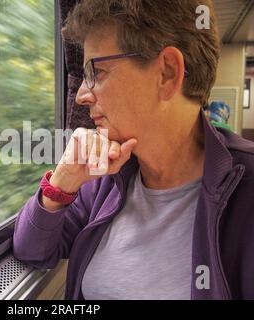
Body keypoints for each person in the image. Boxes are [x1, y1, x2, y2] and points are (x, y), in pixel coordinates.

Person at [13, 0, 254, 299]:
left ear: (166, 72)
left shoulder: (245, 192)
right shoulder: (105, 178)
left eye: (97, 72)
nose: (81, 97)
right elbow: (32, 250)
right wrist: (63, 181)